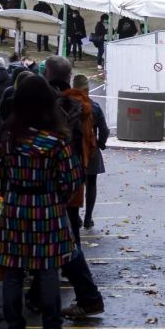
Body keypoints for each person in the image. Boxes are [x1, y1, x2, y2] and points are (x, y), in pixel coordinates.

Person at [0, 73, 82, 329]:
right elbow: (71, 180)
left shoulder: (9, 137)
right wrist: (54, 197)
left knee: (13, 273)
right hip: (47, 209)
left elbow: (0, 177)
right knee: (47, 273)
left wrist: (13, 194)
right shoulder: (55, 141)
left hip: (15, 210)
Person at [28, 56, 105, 319]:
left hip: (44, 185)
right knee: (67, 238)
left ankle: (79, 297)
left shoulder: (45, 103)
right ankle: (43, 296)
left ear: (47, 73)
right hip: (72, 178)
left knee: (54, 242)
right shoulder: (82, 104)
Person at [73, 75, 109, 229]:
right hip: (91, 148)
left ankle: (74, 217)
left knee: (74, 184)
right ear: (87, 90)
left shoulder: (67, 105)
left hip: (72, 150)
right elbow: (105, 130)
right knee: (91, 184)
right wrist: (100, 143)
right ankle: (88, 217)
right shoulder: (94, 106)